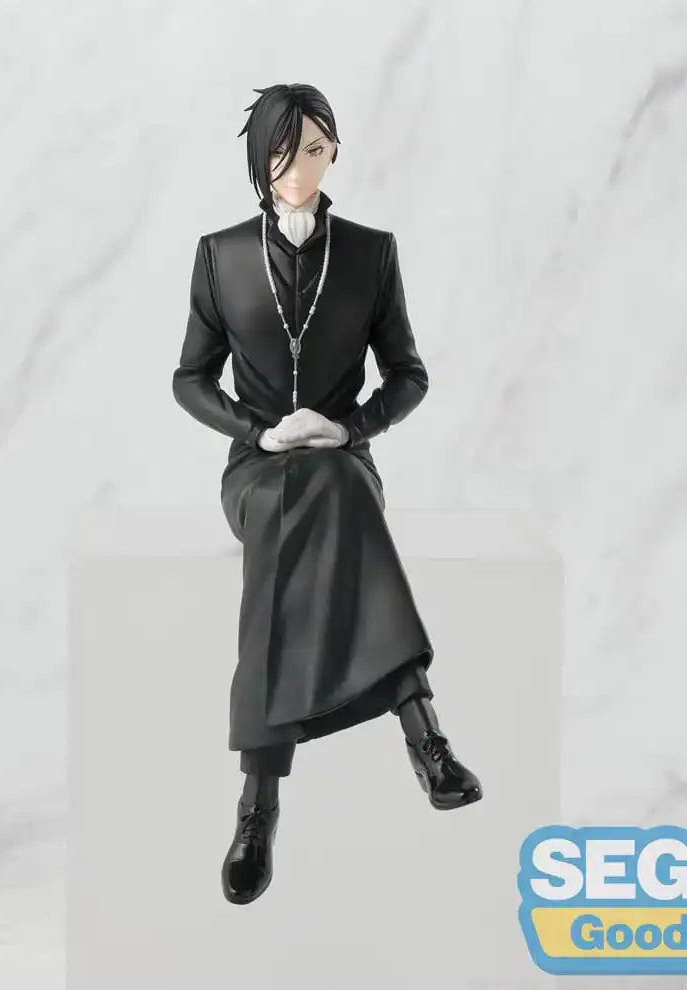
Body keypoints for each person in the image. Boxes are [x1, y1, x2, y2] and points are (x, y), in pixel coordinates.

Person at [172, 83, 482, 906]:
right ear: (258, 159)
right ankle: (421, 728)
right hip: (258, 470)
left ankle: (259, 799)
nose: (297, 168)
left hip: (344, 462)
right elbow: (189, 378)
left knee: (337, 482)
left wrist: (349, 429)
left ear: (335, 151)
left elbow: (408, 373)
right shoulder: (220, 253)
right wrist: (259, 431)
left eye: (313, 149)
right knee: (293, 502)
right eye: (281, 152)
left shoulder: (371, 252)